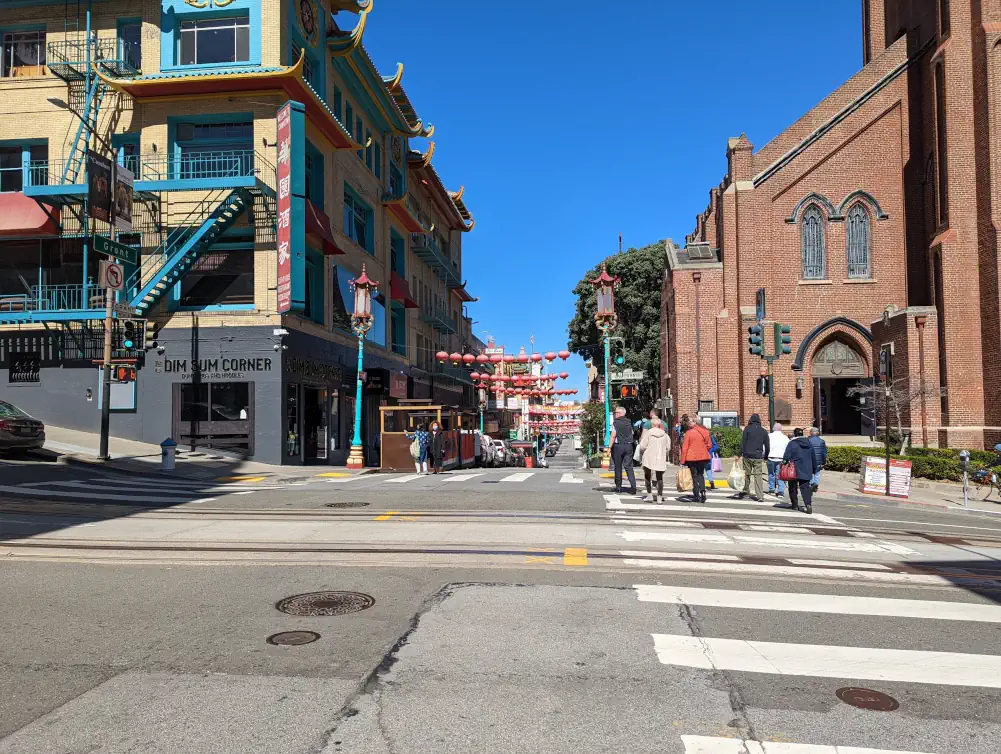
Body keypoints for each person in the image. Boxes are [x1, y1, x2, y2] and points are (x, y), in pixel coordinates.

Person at [732, 413, 769, 502]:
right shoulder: (763, 431)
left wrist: (739, 454)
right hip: (758, 456)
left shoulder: (747, 429)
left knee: (747, 474)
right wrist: (766, 456)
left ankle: (745, 490)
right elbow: (767, 446)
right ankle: (760, 496)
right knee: (758, 476)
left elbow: (743, 443)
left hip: (747, 455)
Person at [783, 427, 819, 514]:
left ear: (795, 434)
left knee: (792, 487)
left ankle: (794, 504)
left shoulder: (792, 443)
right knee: (805, 487)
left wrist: (784, 463)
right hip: (806, 468)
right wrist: (814, 469)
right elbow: (813, 457)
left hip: (793, 468)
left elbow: (786, 456)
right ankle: (808, 504)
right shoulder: (809, 443)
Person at [680, 414, 713, 503]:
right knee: (700, 474)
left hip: (691, 458)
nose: (688, 423)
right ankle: (703, 491)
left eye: (690, 422)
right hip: (703, 457)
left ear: (694, 422)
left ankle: (696, 495)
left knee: (694, 476)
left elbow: (685, 448)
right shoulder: (705, 432)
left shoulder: (688, 433)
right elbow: (709, 445)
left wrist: (682, 461)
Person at [639, 417, 670, 502]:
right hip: (660, 458)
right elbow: (668, 447)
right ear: (659, 425)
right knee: (659, 477)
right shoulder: (665, 435)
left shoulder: (648, 434)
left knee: (647, 476)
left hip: (648, 457)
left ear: (652, 425)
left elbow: (642, 446)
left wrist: (642, 453)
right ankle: (659, 497)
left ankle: (649, 495)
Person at [609, 406, 637, 495]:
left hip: (618, 446)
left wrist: (609, 447)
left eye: (616, 413)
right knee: (629, 466)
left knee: (618, 466)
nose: (615, 414)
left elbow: (613, 436)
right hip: (629, 446)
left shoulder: (616, 423)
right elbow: (632, 433)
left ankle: (618, 487)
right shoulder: (629, 422)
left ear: (620, 413)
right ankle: (633, 487)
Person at [767, 423, 790, 498]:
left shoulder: (769, 436)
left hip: (771, 457)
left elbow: (765, 447)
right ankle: (781, 491)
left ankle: (772, 489)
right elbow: (788, 449)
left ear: (773, 428)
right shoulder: (785, 438)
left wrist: (764, 455)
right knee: (780, 475)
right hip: (781, 458)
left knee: (771, 474)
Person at [808, 427, 828, 492]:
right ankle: (816, 485)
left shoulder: (807, 440)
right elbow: (824, 453)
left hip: (810, 460)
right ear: (818, 433)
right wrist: (824, 462)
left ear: (811, 433)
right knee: (817, 473)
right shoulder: (822, 441)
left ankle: (812, 484)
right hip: (819, 461)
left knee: (810, 473)